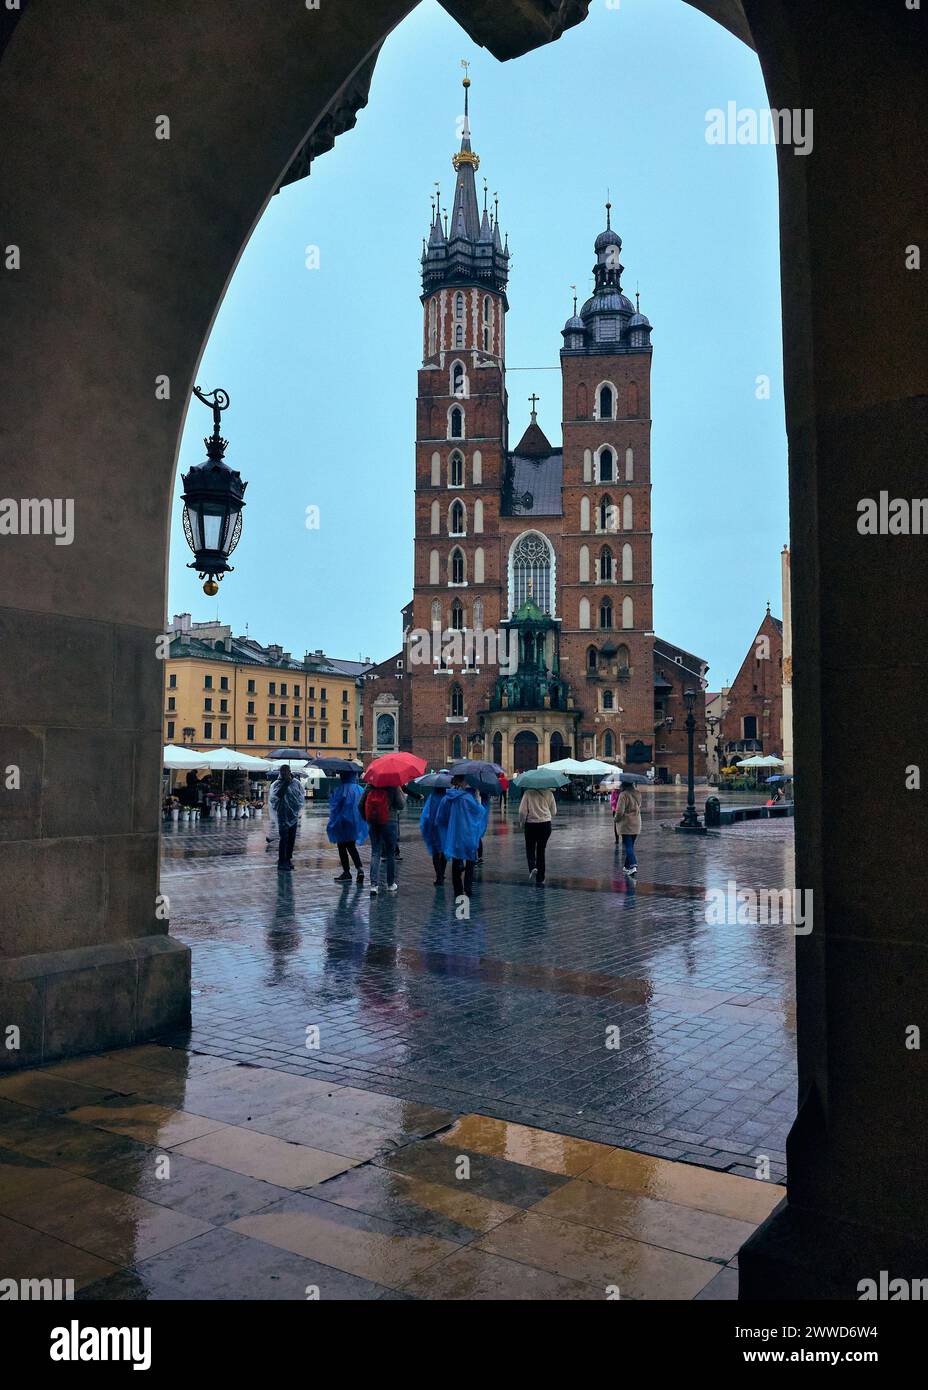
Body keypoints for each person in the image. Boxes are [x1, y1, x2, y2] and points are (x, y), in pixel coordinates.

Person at [435, 775, 489, 901]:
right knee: (470, 861)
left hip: (455, 835)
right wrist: (478, 799)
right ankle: (468, 888)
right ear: (463, 782)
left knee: (456, 862)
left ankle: (458, 891)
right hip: (468, 834)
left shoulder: (447, 798)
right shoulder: (468, 798)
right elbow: (480, 812)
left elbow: (440, 818)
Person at [359, 781, 405, 895]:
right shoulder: (394, 784)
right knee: (390, 854)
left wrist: (366, 818)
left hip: (374, 822)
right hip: (390, 822)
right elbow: (401, 805)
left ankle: (374, 885)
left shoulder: (370, 784)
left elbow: (360, 804)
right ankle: (390, 884)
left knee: (375, 852)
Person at [327, 770, 368, 883]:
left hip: (343, 822)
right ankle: (359, 869)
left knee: (342, 846)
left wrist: (331, 795)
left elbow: (334, 807)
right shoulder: (360, 789)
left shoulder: (341, 790)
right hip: (355, 822)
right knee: (351, 846)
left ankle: (347, 872)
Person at [519, 784, 557, 884]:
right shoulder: (549, 793)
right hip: (545, 824)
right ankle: (541, 877)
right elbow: (554, 811)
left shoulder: (527, 793)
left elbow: (522, 812)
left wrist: (522, 823)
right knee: (541, 850)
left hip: (531, 824)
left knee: (530, 847)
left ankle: (532, 867)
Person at [269, 765, 303, 871]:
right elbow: (275, 797)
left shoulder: (297, 783)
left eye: (285, 772)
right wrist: (286, 783)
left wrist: (297, 810)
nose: (283, 774)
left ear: (289, 772)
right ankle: (281, 861)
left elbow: (301, 797)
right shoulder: (277, 784)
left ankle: (288, 859)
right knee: (284, 838)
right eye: (281, 772)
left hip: (293, 815)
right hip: (282, 815)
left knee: (291, 838)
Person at [419, 783, 448, 885]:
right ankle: (442, 873)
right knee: (444, 850)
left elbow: (426, 815)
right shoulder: (447, 796)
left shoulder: (432, 797)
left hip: (433, 828)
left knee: (436, 852)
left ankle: (438, 876)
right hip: (444, 828)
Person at [614, 779, 642, 877]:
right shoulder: (638, 793)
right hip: (637, 822)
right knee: (630, 846)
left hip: (626, 824)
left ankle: (633, 865)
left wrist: (616, 819)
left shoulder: (623, 795)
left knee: (628, 846)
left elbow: (619, 811)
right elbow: (639, 806)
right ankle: (626, 866)